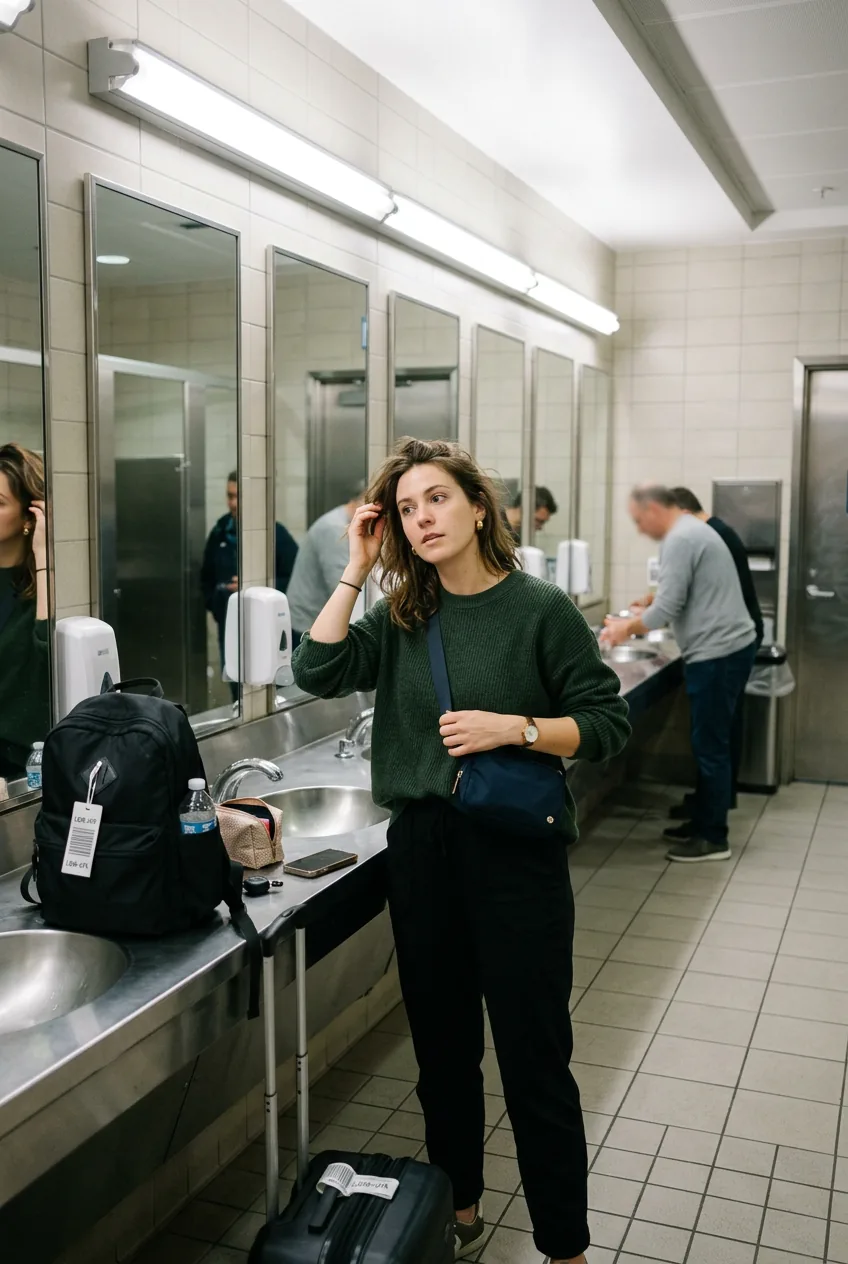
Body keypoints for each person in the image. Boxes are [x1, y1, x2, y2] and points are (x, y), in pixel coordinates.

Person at [292, 438, 630, 1264]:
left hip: (515, 854)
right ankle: (460, 1208)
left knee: (534, 1059)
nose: (422, 518)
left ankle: (565, 1245)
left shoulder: (540, 609)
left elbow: (607, 724)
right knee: (443, 1052)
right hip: (424, 853)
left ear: (479, 507)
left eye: (436, 500)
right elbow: (316, 668)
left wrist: (509, 729)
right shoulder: (404, 616)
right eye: (407, 509)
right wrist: (357, 565)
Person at [602, 485, 756, 863]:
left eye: (639, 520)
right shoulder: (693, 530)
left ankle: (712, 837)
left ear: (654, 508)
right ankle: (704, 819)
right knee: (710, 742)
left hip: (717, 653)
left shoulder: (680, 538)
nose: (640, 529)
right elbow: (682, 593)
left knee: (710, 746)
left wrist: (624, 628)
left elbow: (666, 610)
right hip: (728, 648)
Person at [201, 472, 299, 697]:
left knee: (274, 687)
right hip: (231, 625)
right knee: (238, 684)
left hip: (269, 629)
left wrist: (261, 587)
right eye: (229, 496)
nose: (233, 503)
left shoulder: (275, 534)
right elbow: (206, 577)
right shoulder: (219, 533)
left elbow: (295, 578)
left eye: (238, 496)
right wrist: (217, 603)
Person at [0, 443, 49, 781]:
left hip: (19, 768)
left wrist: (44, 556)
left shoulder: (40, 592)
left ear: (28, 517)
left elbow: (49, 660)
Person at [285, 484, 366, 639]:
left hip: (315, 620)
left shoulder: (343, 522)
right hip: (306, 624)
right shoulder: (334, 528)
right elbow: (343, 586)